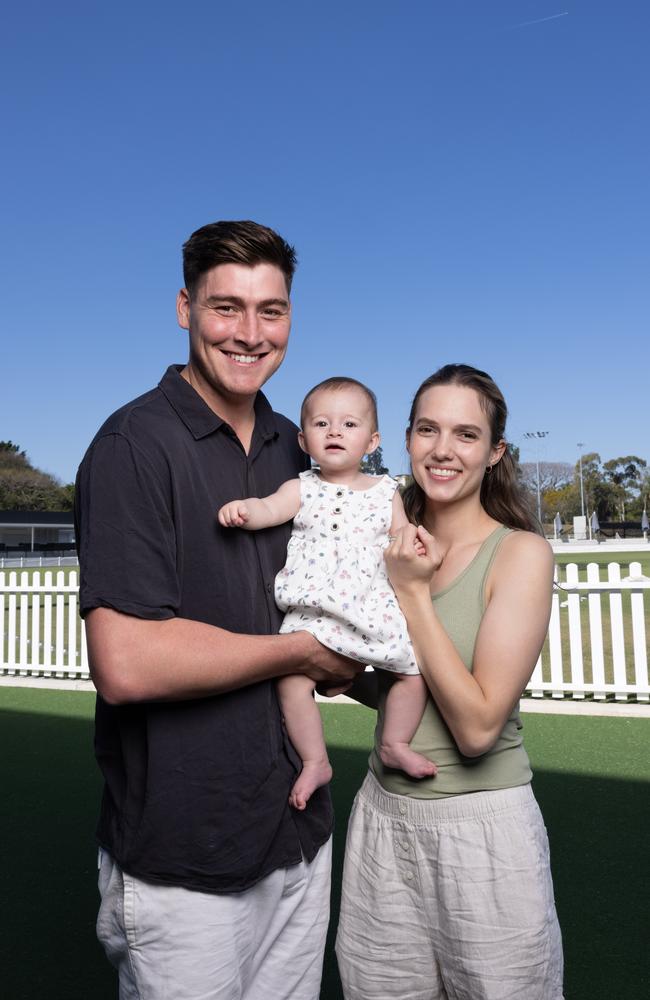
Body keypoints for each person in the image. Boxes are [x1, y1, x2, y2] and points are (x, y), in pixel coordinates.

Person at [75, 220, 362, 1000]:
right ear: (183, 308)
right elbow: (126, 665)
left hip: (298, 831)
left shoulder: (294, 448)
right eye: (225, 307)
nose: (249, 333)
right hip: (183, 853)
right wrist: (300, 654)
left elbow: (330, 601)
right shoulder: (134, 444)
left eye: (271, 311)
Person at [336, 364, 564, 1000]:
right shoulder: (385, 538)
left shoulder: (519, 553)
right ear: (404, 439)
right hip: (382, 817)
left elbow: (475, 727)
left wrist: (412, 593)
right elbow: (395, 686)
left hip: (483, 828)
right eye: (427, 429)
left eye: (466, 435)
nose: (442, 450)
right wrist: (335, 671)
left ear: (494, 454)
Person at [218, 377, 435, 810]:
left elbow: (401, 534)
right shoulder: (301, 487)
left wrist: (416, 541)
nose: (335, 432)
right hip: (314, 612)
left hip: (370, 607)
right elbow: (269, 510)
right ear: (304, 439)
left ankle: (394, 742)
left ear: (372, 440)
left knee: (413, 670)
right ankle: (315, 760)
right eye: (322, 423)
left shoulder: (386, 490)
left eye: (349, 424)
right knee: (292, 681)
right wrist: (246, 510)